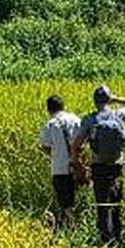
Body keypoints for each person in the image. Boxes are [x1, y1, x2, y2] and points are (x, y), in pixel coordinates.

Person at [72, 85, 125, 247]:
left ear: (95, 101)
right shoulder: (119, 115)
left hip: (99, 167)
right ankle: (117, 238)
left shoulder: (89, 120)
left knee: (102, 203)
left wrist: (77, 163)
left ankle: (105, 241)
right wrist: (116, 99)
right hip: (117, 166)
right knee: (116, 201)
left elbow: (76, 145)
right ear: (108, 99)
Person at [36, 95, 82, 228]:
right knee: (73, 199)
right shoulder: (75, 120)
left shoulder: (50, 124)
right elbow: (84, 140)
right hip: (76, 166)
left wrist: (56, 154)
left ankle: (73, 229)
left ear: (48, 109)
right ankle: (65, 226)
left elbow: (45, 146)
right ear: (63, 106)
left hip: (59, 168)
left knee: (65, 202)